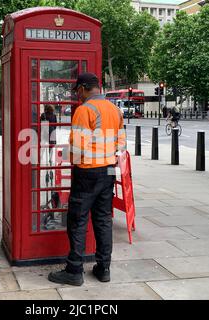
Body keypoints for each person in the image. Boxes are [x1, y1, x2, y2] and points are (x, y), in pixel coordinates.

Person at [48, 72, 126, 286]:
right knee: (102, 219)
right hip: (109, 170)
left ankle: (74, 270)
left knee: (78, 220)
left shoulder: (85, 110)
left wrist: (67, 157)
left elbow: (77, 147)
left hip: (87, 172)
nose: (77, 96)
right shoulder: (115, 109)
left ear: (82, 88)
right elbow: (121, 143)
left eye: (77, 92)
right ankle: (103, 268)